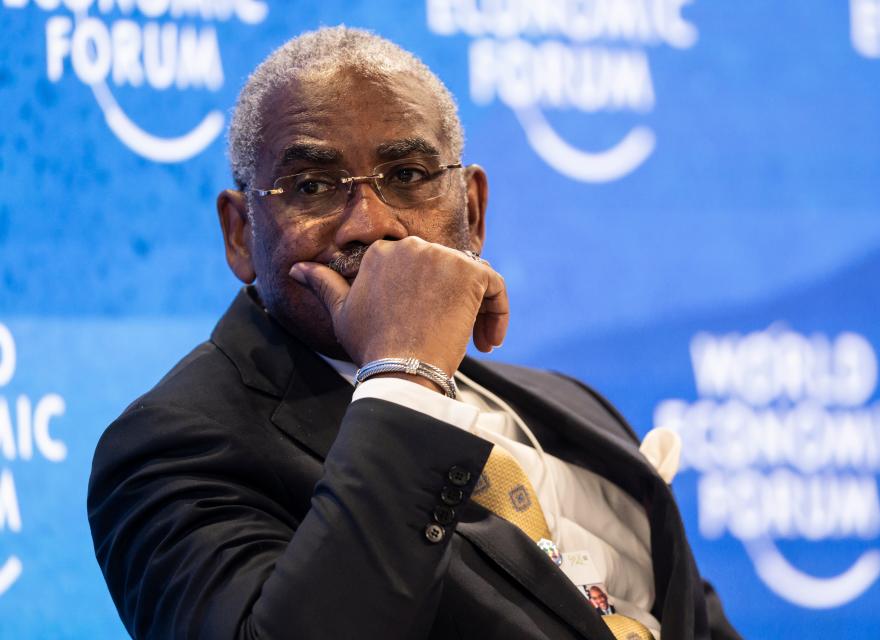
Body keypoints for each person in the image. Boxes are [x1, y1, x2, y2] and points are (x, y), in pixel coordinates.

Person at [87, 26, 741, 640]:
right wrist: (405, 379)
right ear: (239, 237)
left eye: (406, 176)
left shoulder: (576, 408)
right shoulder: (170, 447)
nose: (369, 223)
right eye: (311, 185)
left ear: (473, 210)